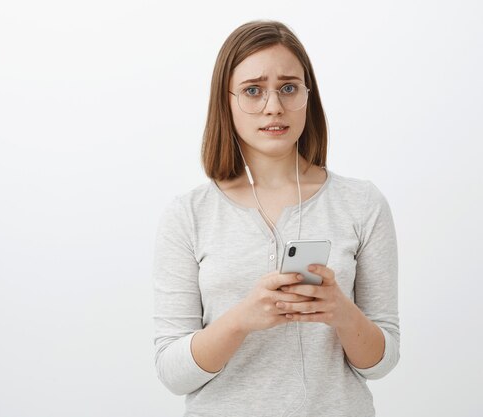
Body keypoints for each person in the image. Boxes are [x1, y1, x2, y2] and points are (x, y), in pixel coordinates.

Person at [152, 20, 400, 417]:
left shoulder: (361, 203)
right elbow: (172, 373)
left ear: (307, 95)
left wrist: (341, 311)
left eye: (288, 88)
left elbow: (382, 362)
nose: (274, 106)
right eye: (253, 90)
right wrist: (241, 319)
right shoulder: (188, 215)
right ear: (226, 99)